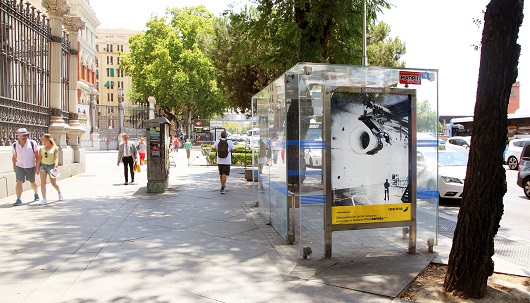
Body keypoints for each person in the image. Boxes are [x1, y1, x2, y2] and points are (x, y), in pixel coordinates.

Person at [12, 128, 40, 206]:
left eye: (26, 135)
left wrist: (37, 167)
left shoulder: (32, 143)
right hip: (19, 165)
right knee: (19, 182)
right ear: (18, 136)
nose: (25, 136)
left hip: (30, 165)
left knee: (32, 182)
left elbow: (37, 156)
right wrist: (14, 166)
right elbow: (14, 156)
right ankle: (18, 199)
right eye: (23, 135)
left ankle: (36, 193)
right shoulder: (15, 145)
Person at [38, 134, 63, 205]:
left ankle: (59, 192)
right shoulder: (41, 148)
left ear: (48, 139)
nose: (42, 140)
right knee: (43, 182)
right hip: (43, 166)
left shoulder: (55, 148)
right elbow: (39, 159)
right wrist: (37, 168)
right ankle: (44, 198)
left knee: (53, 183)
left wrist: (55, 166)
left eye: (44, 139)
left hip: (51, 166)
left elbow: (56, 158)